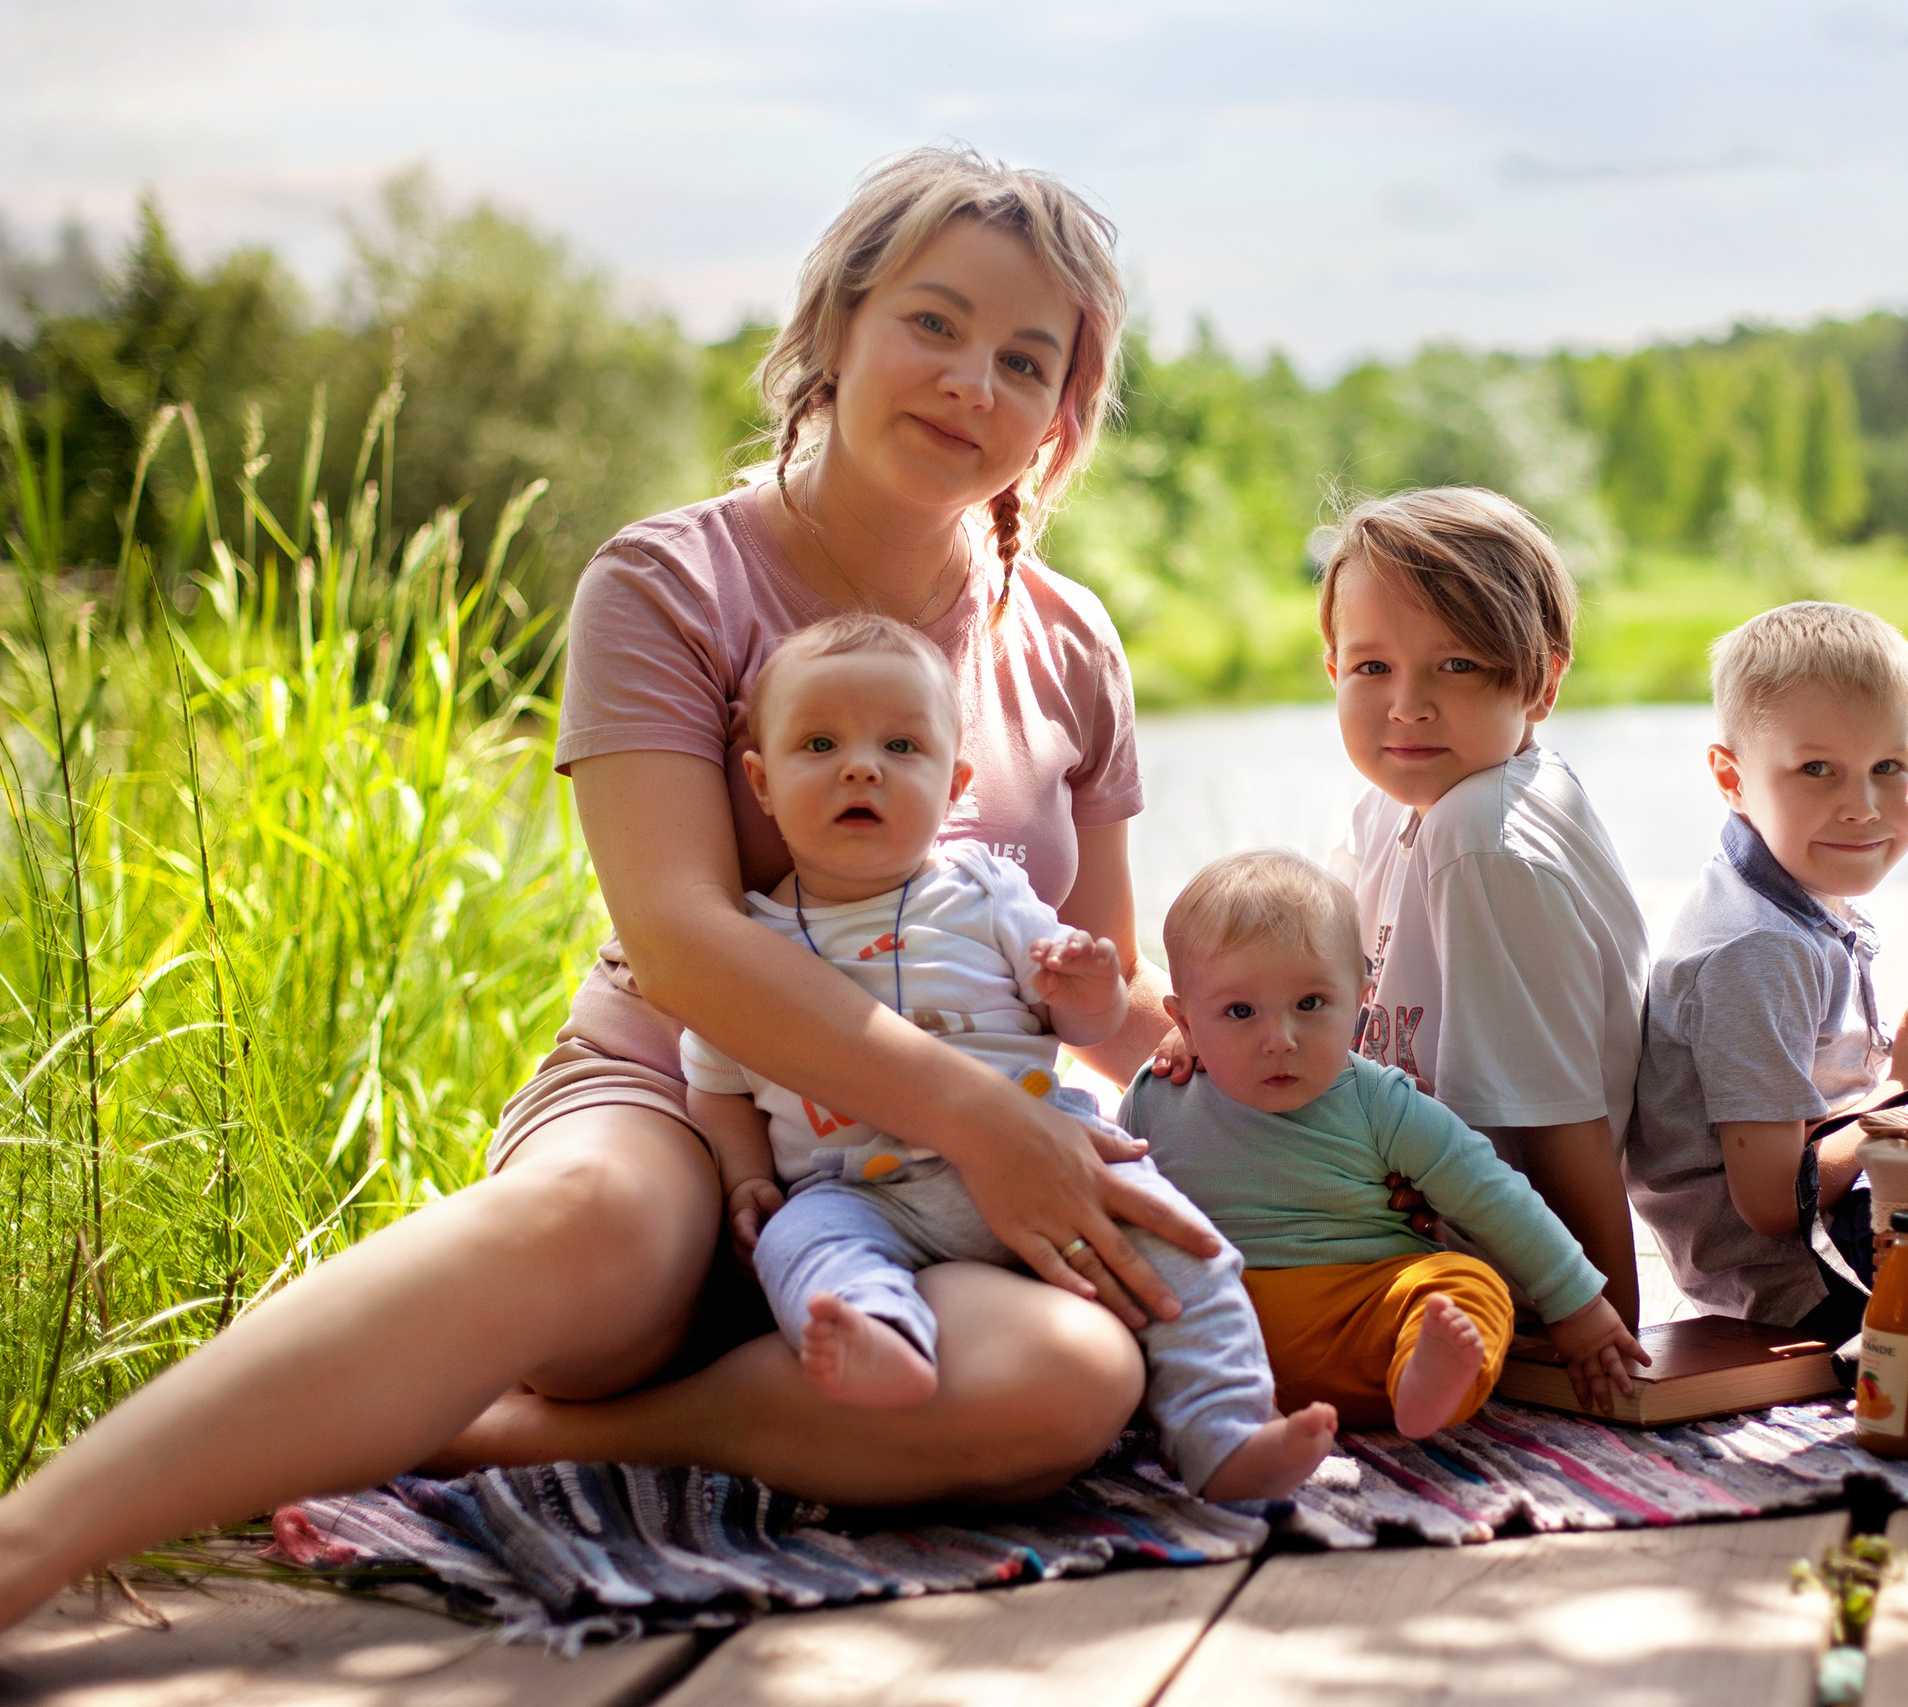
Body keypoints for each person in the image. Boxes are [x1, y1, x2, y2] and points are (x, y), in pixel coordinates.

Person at [0, 145, 1208, 1633]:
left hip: (936, 1206)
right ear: (834, 329)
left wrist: (1269, 1061)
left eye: (1027, 359)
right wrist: (965, 1104)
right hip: (680, 1113)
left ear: (1061, 418)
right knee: (578, 1212)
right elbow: (682, 937)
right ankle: (28, 1544)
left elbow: (1107, 985)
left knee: (1070, 1379)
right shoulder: (670, 582)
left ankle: (508, 1435)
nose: (974, 379)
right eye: (936, 323)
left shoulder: (1074, 641)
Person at [688, 613, 1335, 1498]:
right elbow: (717, 1080)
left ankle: (1225, 1435)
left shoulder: (988, 894)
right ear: (760, 783)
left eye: (901, 745)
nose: (861, 765)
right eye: (820, 743)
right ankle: (882, 1338)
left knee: (1183, 1250)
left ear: (954, 783)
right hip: (856, 1189)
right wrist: (743, 1174)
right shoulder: (753, 940)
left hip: (1043, 1149)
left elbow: (1084, 1024)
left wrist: (1089, 987)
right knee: (802, 1247)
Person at [1125, 851, 1646, 1434]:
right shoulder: (1155, 1099)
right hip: (1214, 1325)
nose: (1280, 1039)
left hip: (1365, 1318)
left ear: (1361, 1003)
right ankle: (1227, 1428)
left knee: (1467, 1287)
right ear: (1185, 1021)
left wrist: (1576, 1308)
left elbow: (1490, 1193)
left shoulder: (1380, 1101)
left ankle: (1424, 1382)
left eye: (1310, 1004)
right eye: (1240, 1011)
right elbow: (1109, 1210)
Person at [1319, 488, 1650, 1332]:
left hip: (1495, 1286)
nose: (1407, 705)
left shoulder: (1481, 839)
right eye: (1371, 667)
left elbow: (1564, 1120)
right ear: (1332, 669)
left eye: (1457, 664)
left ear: (1541, 681)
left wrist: (1605, 1321)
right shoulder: (1399, 802)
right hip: (1405, 1221)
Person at [1621, 601, 1908, 1346]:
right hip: (1799, 1288)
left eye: (1887, 768)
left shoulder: (1788, 897)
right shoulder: (1755, 949)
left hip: (1820, 1240)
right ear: (1731, 778)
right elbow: (1774, 1201)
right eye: (1817, 770)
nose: (1862, 808)